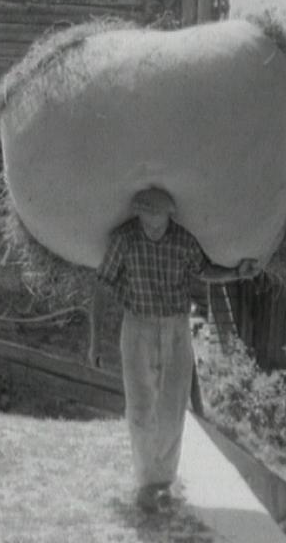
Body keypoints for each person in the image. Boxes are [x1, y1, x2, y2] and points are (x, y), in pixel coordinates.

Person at [91, 187, 259, 512]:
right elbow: (101, 284)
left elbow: (204, 269)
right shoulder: (125, 240)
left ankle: (162, 482)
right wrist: (95, 339)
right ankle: (145, 482)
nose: (153, 228)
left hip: (177, 329)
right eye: (147, 221)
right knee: (140, 407)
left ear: (170, 216)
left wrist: (236, 272)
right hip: (137, 326)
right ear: (137, 215)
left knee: (171, 408)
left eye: (159, 221)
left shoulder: (182, 240)